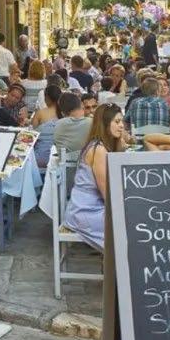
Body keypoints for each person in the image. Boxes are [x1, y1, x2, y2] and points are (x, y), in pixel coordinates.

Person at [64, 103, 128, 251]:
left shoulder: (101, 145)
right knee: (132, 225)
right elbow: (108, 194)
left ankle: (120, 261)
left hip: (91, 208)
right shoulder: (98, 150)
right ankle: (122, 262)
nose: (122, 126)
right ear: (105, 124)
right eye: (117, 121)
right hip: (86, 212)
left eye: (122, 121)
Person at [33, 85, 62, 170]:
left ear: (47, 98)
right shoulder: (65, 114)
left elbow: (32, 136)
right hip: (59, 159)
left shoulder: (40, 113)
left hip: (40, 158)